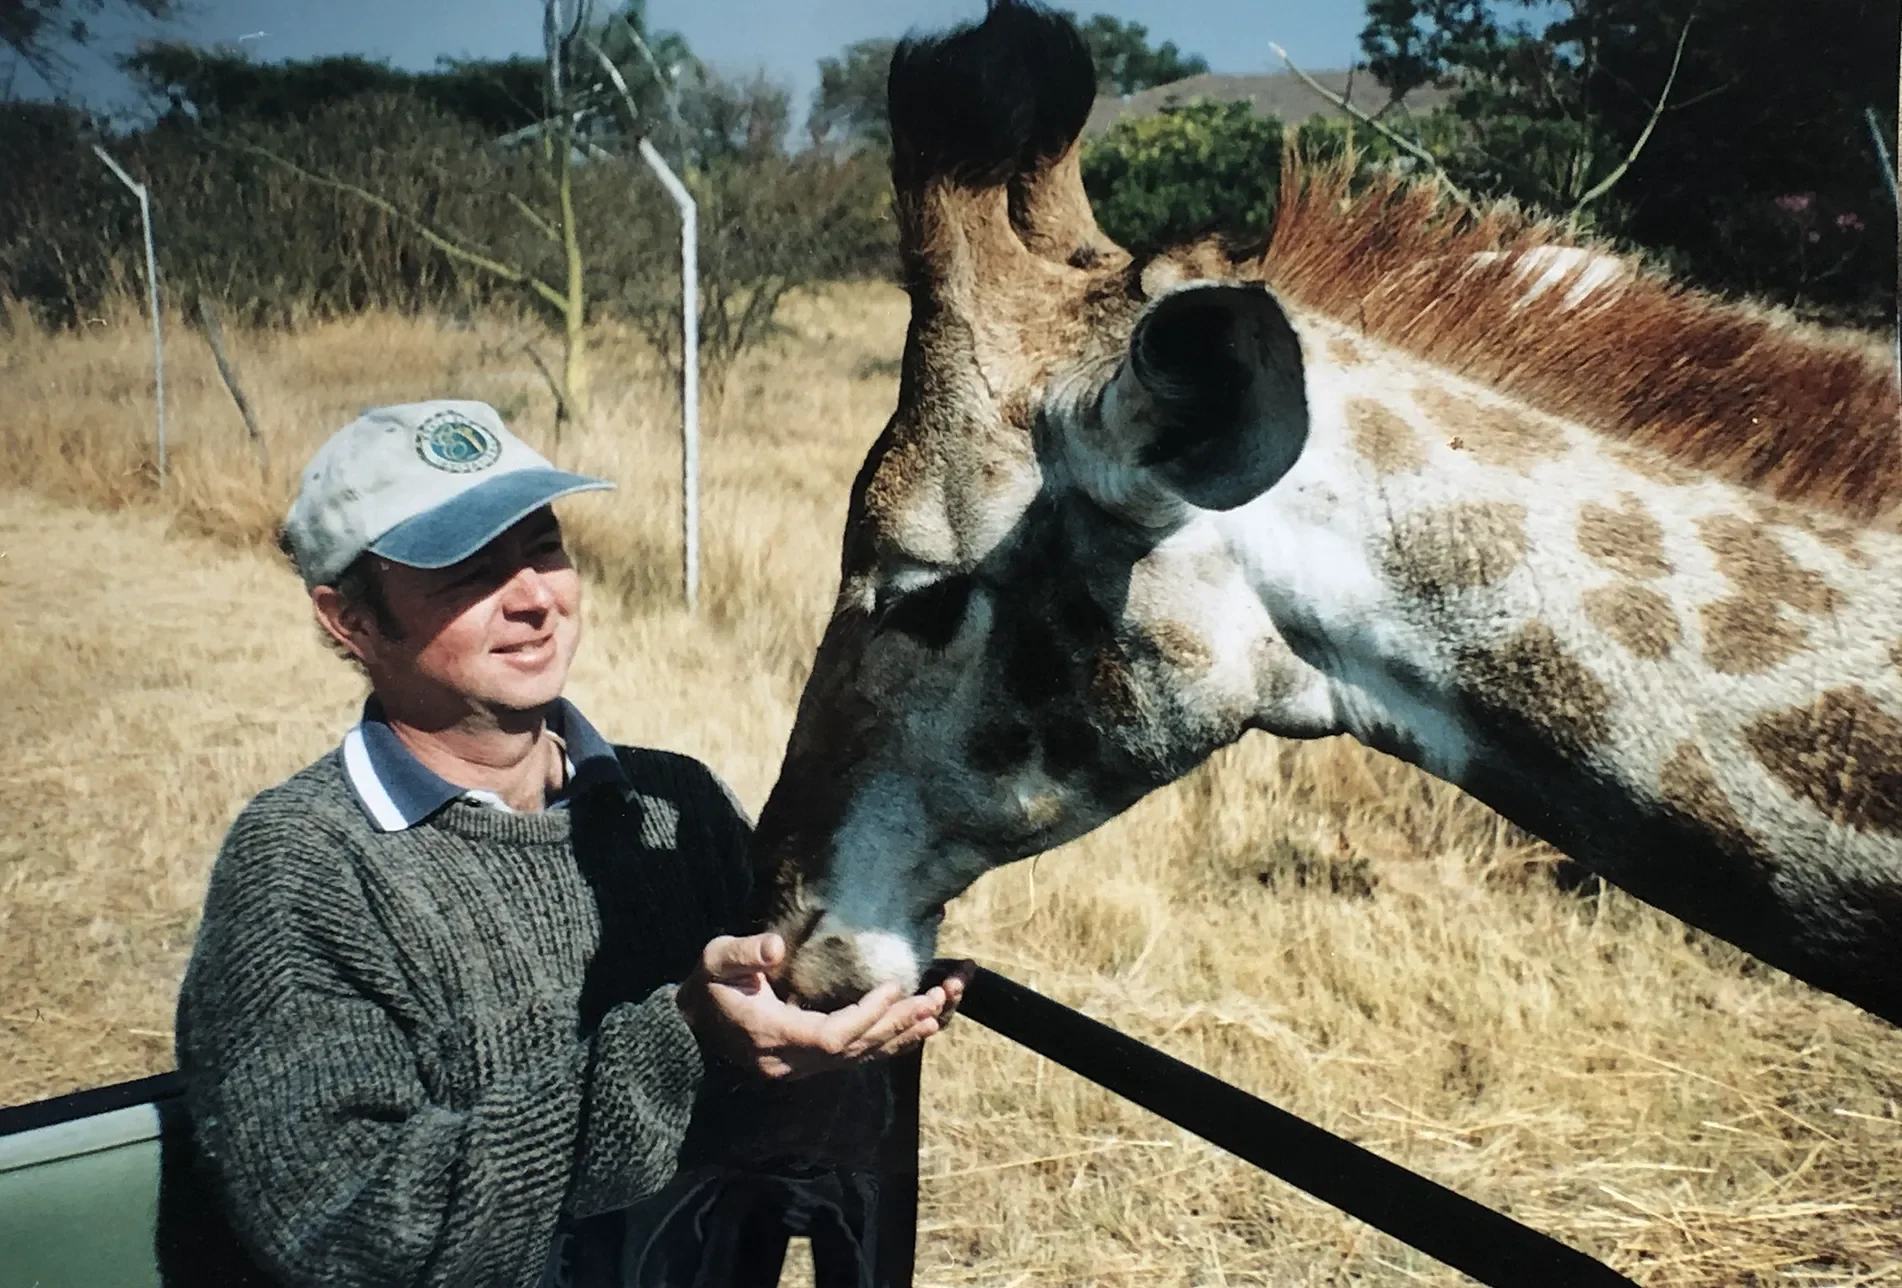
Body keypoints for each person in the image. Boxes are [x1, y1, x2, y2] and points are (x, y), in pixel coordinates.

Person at [169, 400, 965, 1288]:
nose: (535, 599)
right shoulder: (306, 867)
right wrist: (684, 1041)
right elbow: (350, 1233)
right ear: (349, 620)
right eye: (467, 570)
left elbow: (771, 1094)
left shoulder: (673, 803)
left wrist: (846, 1001)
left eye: (543, 546)